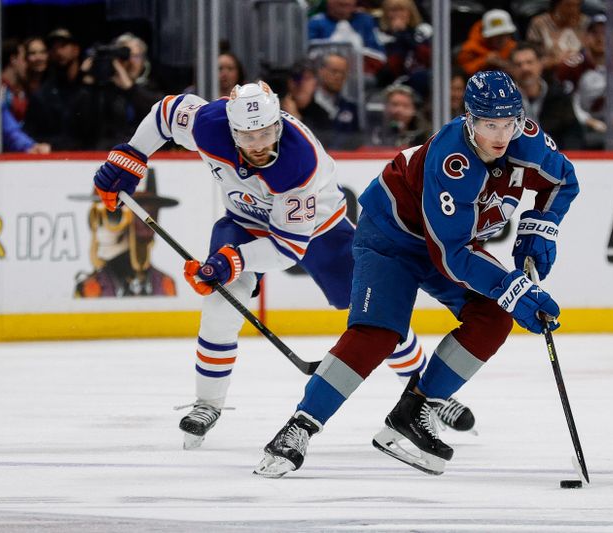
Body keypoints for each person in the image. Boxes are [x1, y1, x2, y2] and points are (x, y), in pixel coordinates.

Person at [91, 81, 476, 450]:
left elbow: (288, 249)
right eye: (247, 136)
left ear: (278, 123)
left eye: (266, 133)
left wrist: (233, 260)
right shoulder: (209, 124)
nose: (258, 146)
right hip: (242, 222)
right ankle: (207, 404)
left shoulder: (298, 162)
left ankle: (425, 394)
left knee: (373, 314)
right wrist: (133, 154)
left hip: (321, 231)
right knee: (221, 302)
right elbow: (165, 113)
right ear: (231, 128)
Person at [253, 70, 579, 479]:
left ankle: (413, 412)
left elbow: (562, 179)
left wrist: (539, 228)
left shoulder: (525, 139)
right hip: (393, 237)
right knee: (378, 332)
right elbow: (453, 256)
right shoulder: (452, 161)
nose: (500, 135)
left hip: (447, 242)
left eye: (508, 123)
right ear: (469, 120)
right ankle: (298, 427)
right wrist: (513, 287)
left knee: (494, 316)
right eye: (489, 124)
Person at [74, 172, 178, 298]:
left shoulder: (164, 285)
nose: (100, 232)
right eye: (95, 217)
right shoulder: (90, 288)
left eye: (112, 217)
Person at [558, 15, 613, 150]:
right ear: (585, 37)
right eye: (594, 33)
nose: (600, 38)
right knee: (569, 135)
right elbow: (569, 104)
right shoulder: (572, 68)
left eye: (606, 33)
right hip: (583, 123)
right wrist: (590, 121)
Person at [510, 43, 584, 150]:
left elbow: (573, 134)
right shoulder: (504, 100)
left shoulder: (559, 97)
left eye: (529, 62)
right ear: (512, 69)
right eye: (519, 64)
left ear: (540, 64)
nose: (525, 68)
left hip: (553, 159)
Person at [308, 0, 386, 75]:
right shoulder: (316, 23)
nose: (344, 2)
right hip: (326, 77)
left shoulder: (365, 20)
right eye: (339, 2)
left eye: (348, 2)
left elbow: (380, 56)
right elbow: (309, 57)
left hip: (363, 76)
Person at [376, 0, 432, 94]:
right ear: (386, 14)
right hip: (391, 82)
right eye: (393, 10)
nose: (398, 14)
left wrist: (406, 37)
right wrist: (398, 36)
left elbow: (430, 58)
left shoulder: (423, 31)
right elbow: (391, 69)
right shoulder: (379, 35)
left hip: (418, 79)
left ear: (410, 12)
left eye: (402, 10)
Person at [525, 0, 589, 74]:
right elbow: (532, 59)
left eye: (577, 5)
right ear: (556, 5)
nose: (573, 10)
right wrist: (556, 61)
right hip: (550, 74)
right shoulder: (540, 24)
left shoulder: (586, 23)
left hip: (582, 74)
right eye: (568, 5)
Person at [456, 9, 518, 77]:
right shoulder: (471, 49)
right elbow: (463, 72)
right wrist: (484, 61)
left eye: (505, 34)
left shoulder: (514, 47)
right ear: (488, 37)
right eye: (497, 36)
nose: (502, 39)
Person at [369, 83, 430, 147]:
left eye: (405, 105)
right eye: (394, 104)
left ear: (414, 109)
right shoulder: (375, 133)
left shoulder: (424, 135)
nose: (399, 110)